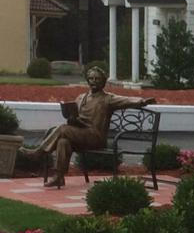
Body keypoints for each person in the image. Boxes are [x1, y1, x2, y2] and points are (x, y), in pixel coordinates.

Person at [18, 66, 155, 188]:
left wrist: (142, 101)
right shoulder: (81, 97)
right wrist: (72, 119)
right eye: (91, 78)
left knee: (62, 129)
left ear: (103, 81)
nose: (93, 81)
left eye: (97, 78)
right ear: (88, 80)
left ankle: (38, 152)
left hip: (95, 137)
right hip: (80, 134)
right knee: (63, 141)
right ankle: (59, 177)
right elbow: (76, 117)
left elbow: (126, 100)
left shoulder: (108, 99)